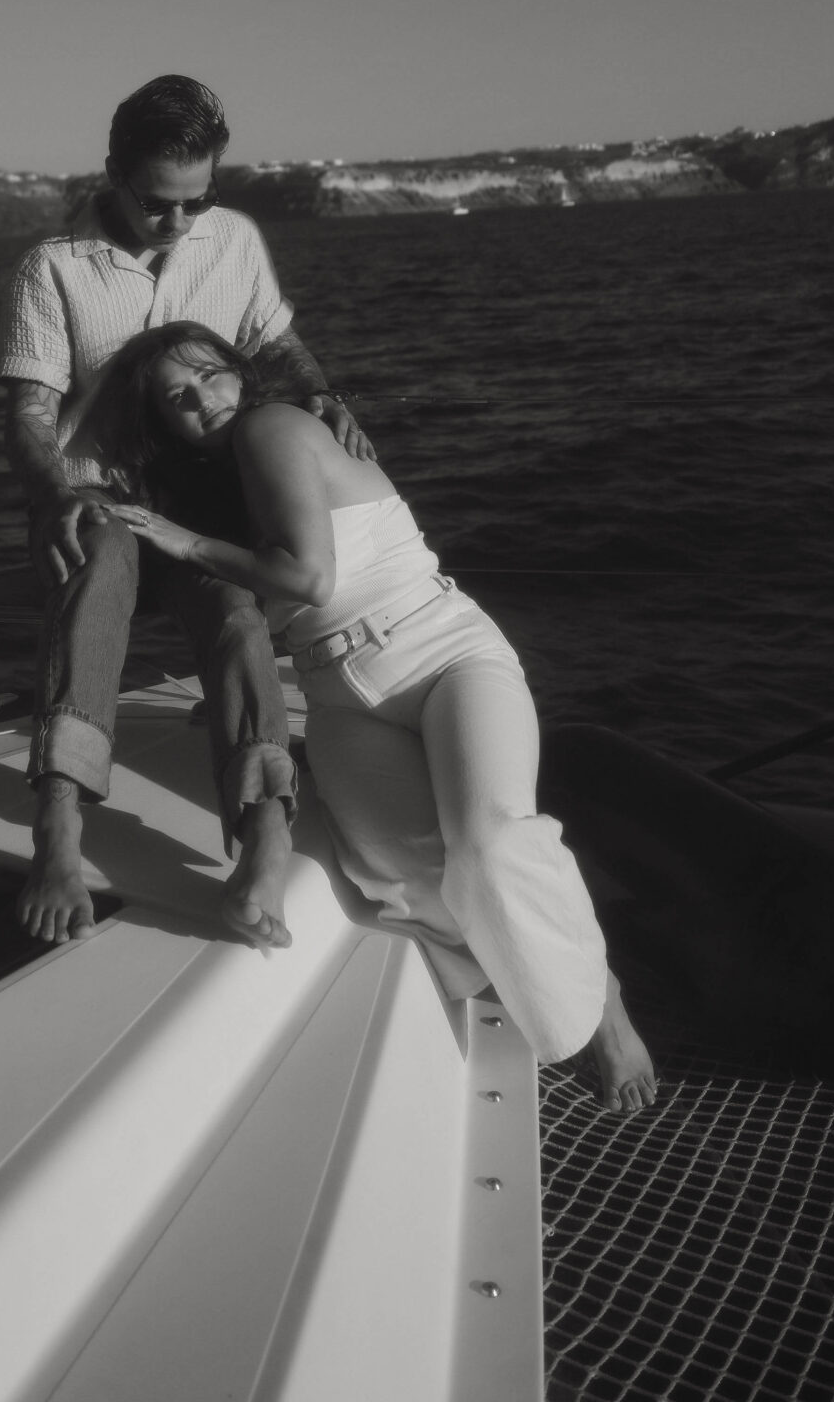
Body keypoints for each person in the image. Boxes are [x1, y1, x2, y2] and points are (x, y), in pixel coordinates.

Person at [93, 320, 659, 1113]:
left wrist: (183, 542)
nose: (203, 401)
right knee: (393, 878)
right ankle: (536, 978)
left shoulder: (271, 425)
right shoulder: (228, 479)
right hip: (333, 687)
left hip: (440, 653)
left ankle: (601, 1004)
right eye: (177, 399)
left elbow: (311, 579)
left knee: (491, 843)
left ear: (241, 374)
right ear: (161, 426)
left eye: (211, 376)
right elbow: (257, 612)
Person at [0, 74, 372, 951]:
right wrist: (58, 491)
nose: (179, 222)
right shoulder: (51, 268)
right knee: (98, 580)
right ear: (112, 174)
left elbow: (275, 339)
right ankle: (58, 828)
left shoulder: (231, 239)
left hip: (204, 507)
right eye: (158, 203)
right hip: (99, 497)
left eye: (197, 201)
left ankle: (262, 833)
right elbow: (25, 414)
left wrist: (323, 394)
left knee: (239, 616)